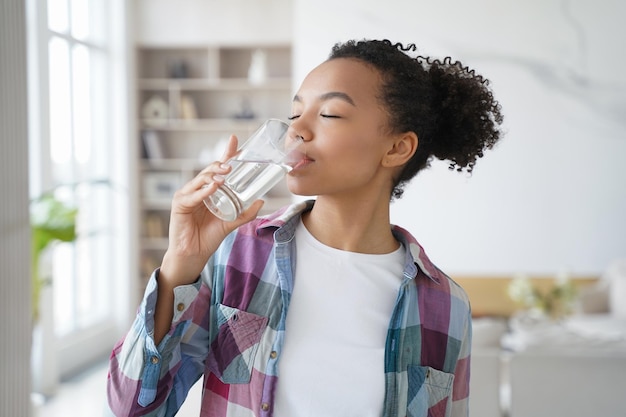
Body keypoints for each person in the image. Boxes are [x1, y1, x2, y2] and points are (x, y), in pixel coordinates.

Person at [106, 39, 503, 417]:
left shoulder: (446, 305)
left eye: (329, 114)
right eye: (295, 113)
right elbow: (133, 408)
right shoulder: (236, 255)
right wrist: (180, 263)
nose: (296, 130)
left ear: (397, 148)